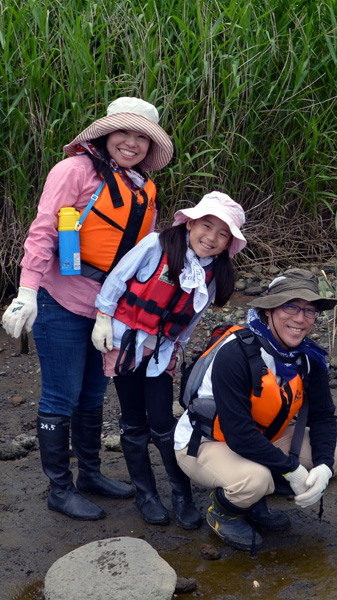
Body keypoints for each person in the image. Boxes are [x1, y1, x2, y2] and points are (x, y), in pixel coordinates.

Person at [1, 97, 174, 521]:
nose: (131, 143)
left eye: (141, 137)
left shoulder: (141, 187)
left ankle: (90, 474)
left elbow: (140, 260)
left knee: (95, 393)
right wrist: (26, 293)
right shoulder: (74, 171)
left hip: (106, 309)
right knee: (62, 395)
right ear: (104, 134)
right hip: (59, 301)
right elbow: (42, 232)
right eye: (123, 132)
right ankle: (59, 489)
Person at [91, 192, 247, 530]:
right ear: (190, 222)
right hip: (126, 343)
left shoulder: (214, 273)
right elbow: (118, 278)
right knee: (133, 422)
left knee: (163, 424)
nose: (212, 238)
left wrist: (177, 349)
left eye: (223, 235)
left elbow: (193, 318)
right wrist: (103, 316)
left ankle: (181, 495)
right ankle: (146, 495)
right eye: (207, 226)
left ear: (229, 244)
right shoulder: (155, 246)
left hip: (162, 352)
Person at [173, 268, 337, 552]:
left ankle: (258, 493)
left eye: (309, 310)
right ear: (269, 311)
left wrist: (325, 468)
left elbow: (323, 416)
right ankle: (223, 511)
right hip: (206, 443)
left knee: (335, 455)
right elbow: (238, 434)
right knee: (256, 479)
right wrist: (292, 471)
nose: (300, 319)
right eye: (290, 306)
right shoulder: (236, 354)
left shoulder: (308, 357)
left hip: (261, 438)